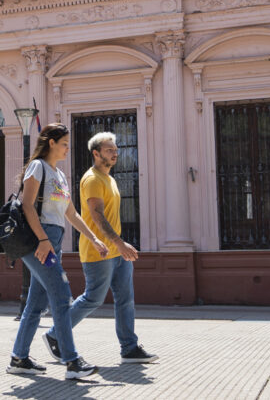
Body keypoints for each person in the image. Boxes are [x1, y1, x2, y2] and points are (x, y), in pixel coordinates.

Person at [42, 132, 158, 365]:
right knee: (93, 298)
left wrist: (119, 246)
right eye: (109, 150)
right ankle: (55, 334)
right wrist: (119, 243)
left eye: (115, 150)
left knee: (125, 299)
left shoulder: (109, 179)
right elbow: (97, 216)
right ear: (96, 153)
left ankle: (129, 348)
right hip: (99, 251)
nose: (115, 153)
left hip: (117, 251)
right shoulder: (92, 179)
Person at [7, 123, 109, 380]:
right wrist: (43, 240)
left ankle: (19, 358)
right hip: (38, 240)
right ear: (51, 143)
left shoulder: (60, 175)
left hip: (53, 240)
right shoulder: (38, 167)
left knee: (36, 303)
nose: (67, 148)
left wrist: (94, 239)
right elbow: (27, 206)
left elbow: (71, 214)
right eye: (64, 143)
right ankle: (72, 361)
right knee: (62, 296)